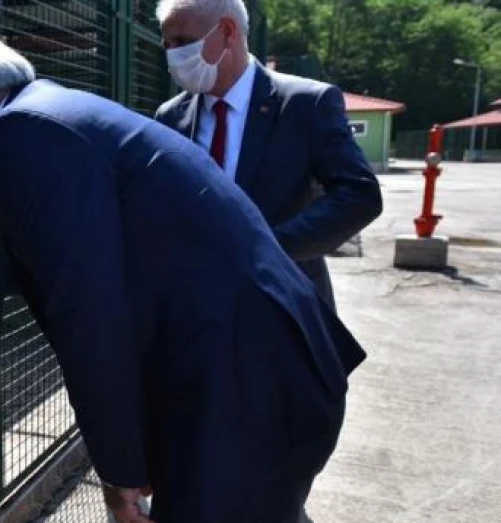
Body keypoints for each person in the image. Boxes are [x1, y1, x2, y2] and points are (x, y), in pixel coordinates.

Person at [0, 27, 367, 523]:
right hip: (266, 380)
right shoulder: (49, 117)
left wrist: (121, 469)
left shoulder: (16, 139)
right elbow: (46, 265)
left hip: (245, 396)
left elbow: (87, 315)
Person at [154, 0, 382, 310]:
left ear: (228, 31)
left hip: (281, 306)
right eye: (167, 44)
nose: (173, 55)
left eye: (183, 42)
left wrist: (268, 249)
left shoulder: (306, 104)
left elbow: (359, 195)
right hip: (198, 309)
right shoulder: (170, 116)